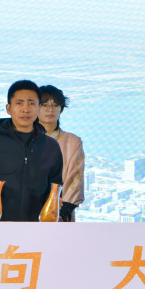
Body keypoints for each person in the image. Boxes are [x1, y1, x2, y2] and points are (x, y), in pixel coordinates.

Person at [0, 80, 63, 221]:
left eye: (31, 103)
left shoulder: (51, 146)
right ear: (8, 108)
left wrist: (56, 201)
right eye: (19, 103)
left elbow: (56, 186)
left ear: (39, 108)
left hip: (37, 226)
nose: (25, 109)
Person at [38, 85, 85, 222]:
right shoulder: (25, 140)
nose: (50, 109)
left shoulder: (72, 141)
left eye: (55, 105)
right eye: (45, 105)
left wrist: (61, 211)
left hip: (60, 213)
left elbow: (75, 179)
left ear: (61, 108)